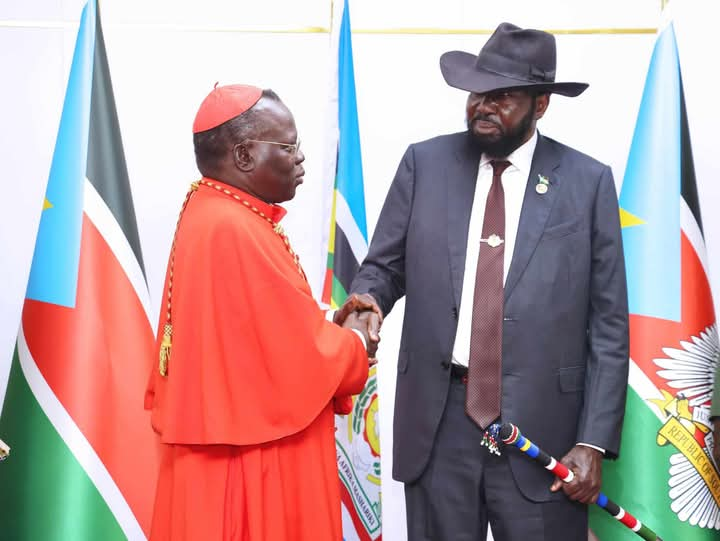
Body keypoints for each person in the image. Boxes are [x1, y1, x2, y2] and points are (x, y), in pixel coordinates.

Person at [336, 23, 629, 540]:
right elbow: (384, 266)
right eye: (477, 93)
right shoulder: (424, 164)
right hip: (439, 419)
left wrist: (593, 441)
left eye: (503, 96)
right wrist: (367, 302)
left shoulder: (587, 182)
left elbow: (608, 325)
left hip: (546, 429)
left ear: (541, 105)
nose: (482, 106)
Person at [144, 84, 376, 541]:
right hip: (251, 462)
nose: (301, 159)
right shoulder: (232, 227)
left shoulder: (214, 208)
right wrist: (355, 341)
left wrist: (327, 325)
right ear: (245, 155)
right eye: (289, 147)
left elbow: (260, 337)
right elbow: (299, 360)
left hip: (233, 442)